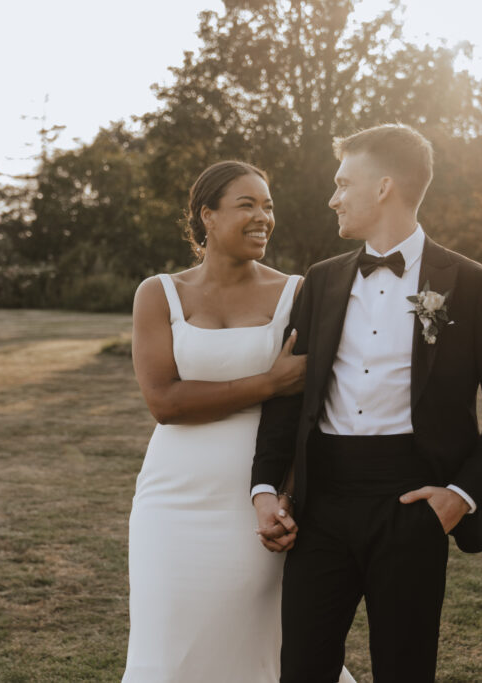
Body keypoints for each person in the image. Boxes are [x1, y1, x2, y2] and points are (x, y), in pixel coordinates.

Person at [251, 124, 482, 682]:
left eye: (343, 183)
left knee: (405, 670)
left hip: (412, 507)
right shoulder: (321, 281)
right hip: (321, 508)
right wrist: (264, 488)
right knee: (302, 670)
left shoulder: (470, 283)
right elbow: (290, 397)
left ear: (384, 187)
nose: (333, 198)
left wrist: (460, 496)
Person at [123, 161, 355, 682]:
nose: (262, 217)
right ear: (206, 215)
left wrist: (284, 494)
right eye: (246, 205)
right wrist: (269, 382)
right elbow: (164, 402)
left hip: (257, 493)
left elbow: (305, 411)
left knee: (256, 635)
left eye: (268, 206)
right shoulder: (158, 293)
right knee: (169, 640)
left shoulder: (296, 292)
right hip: (171, 497)